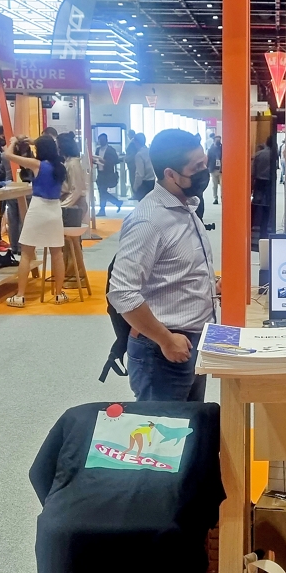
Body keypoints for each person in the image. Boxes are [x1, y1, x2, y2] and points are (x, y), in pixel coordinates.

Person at [108, 129, 215, 401]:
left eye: (205, 163)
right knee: (160, 427)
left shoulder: (186, 206)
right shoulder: (149, 220)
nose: (205, 171)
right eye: (197, 167)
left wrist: (208, 285)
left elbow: (175, 268)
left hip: (192, 342)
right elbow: (122, 292)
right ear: (170, 174)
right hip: (161, 350)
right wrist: (166, 340)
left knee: (190, 424)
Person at [2, 134, 69, 307]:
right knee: (57, 254)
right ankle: (59, 294)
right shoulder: (60, 167)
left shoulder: (37, 164)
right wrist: (33, 141)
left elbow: (8, 155)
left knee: (26, 253)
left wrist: (13, 142)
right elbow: (49, 145)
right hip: (55, 210)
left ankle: (20, 296)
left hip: (38, 208)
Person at [59, 134, 90, 227]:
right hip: (71, 203)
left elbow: (77, 190)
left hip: (74, 204)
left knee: (70, 234)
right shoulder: (68, 162)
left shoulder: (73, 164)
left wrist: (63, 206)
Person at [93, 133, 122, 216]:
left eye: (102, 140)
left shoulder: (111, 150)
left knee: (103, 192)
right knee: (102, 192)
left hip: (108, 174)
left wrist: (104, 162)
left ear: (106, 140)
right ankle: (116, 202)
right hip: (100, 173)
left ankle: (103, 209)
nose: (100, 142)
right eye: (99, 140)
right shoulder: (97, 150)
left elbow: (114, 161)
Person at [131, 132, 156, 200]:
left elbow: (140, 174)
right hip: (153, 182)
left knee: (143, 205)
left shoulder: (139, 155)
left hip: (144, 184)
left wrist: (135, 187)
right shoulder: (150, 151)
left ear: (136, 142)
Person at [207, 135, 223, 204]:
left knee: (222, 185)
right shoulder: (210, 149)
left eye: (219, 140)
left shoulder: (223, 148)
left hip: (221, 170)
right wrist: (207, 169)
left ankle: (222, 198)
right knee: (214, 185)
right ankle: (215, 198)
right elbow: (208, 159)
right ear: (214, 140)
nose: (218, 141)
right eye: (217, 140)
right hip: (213, 169)